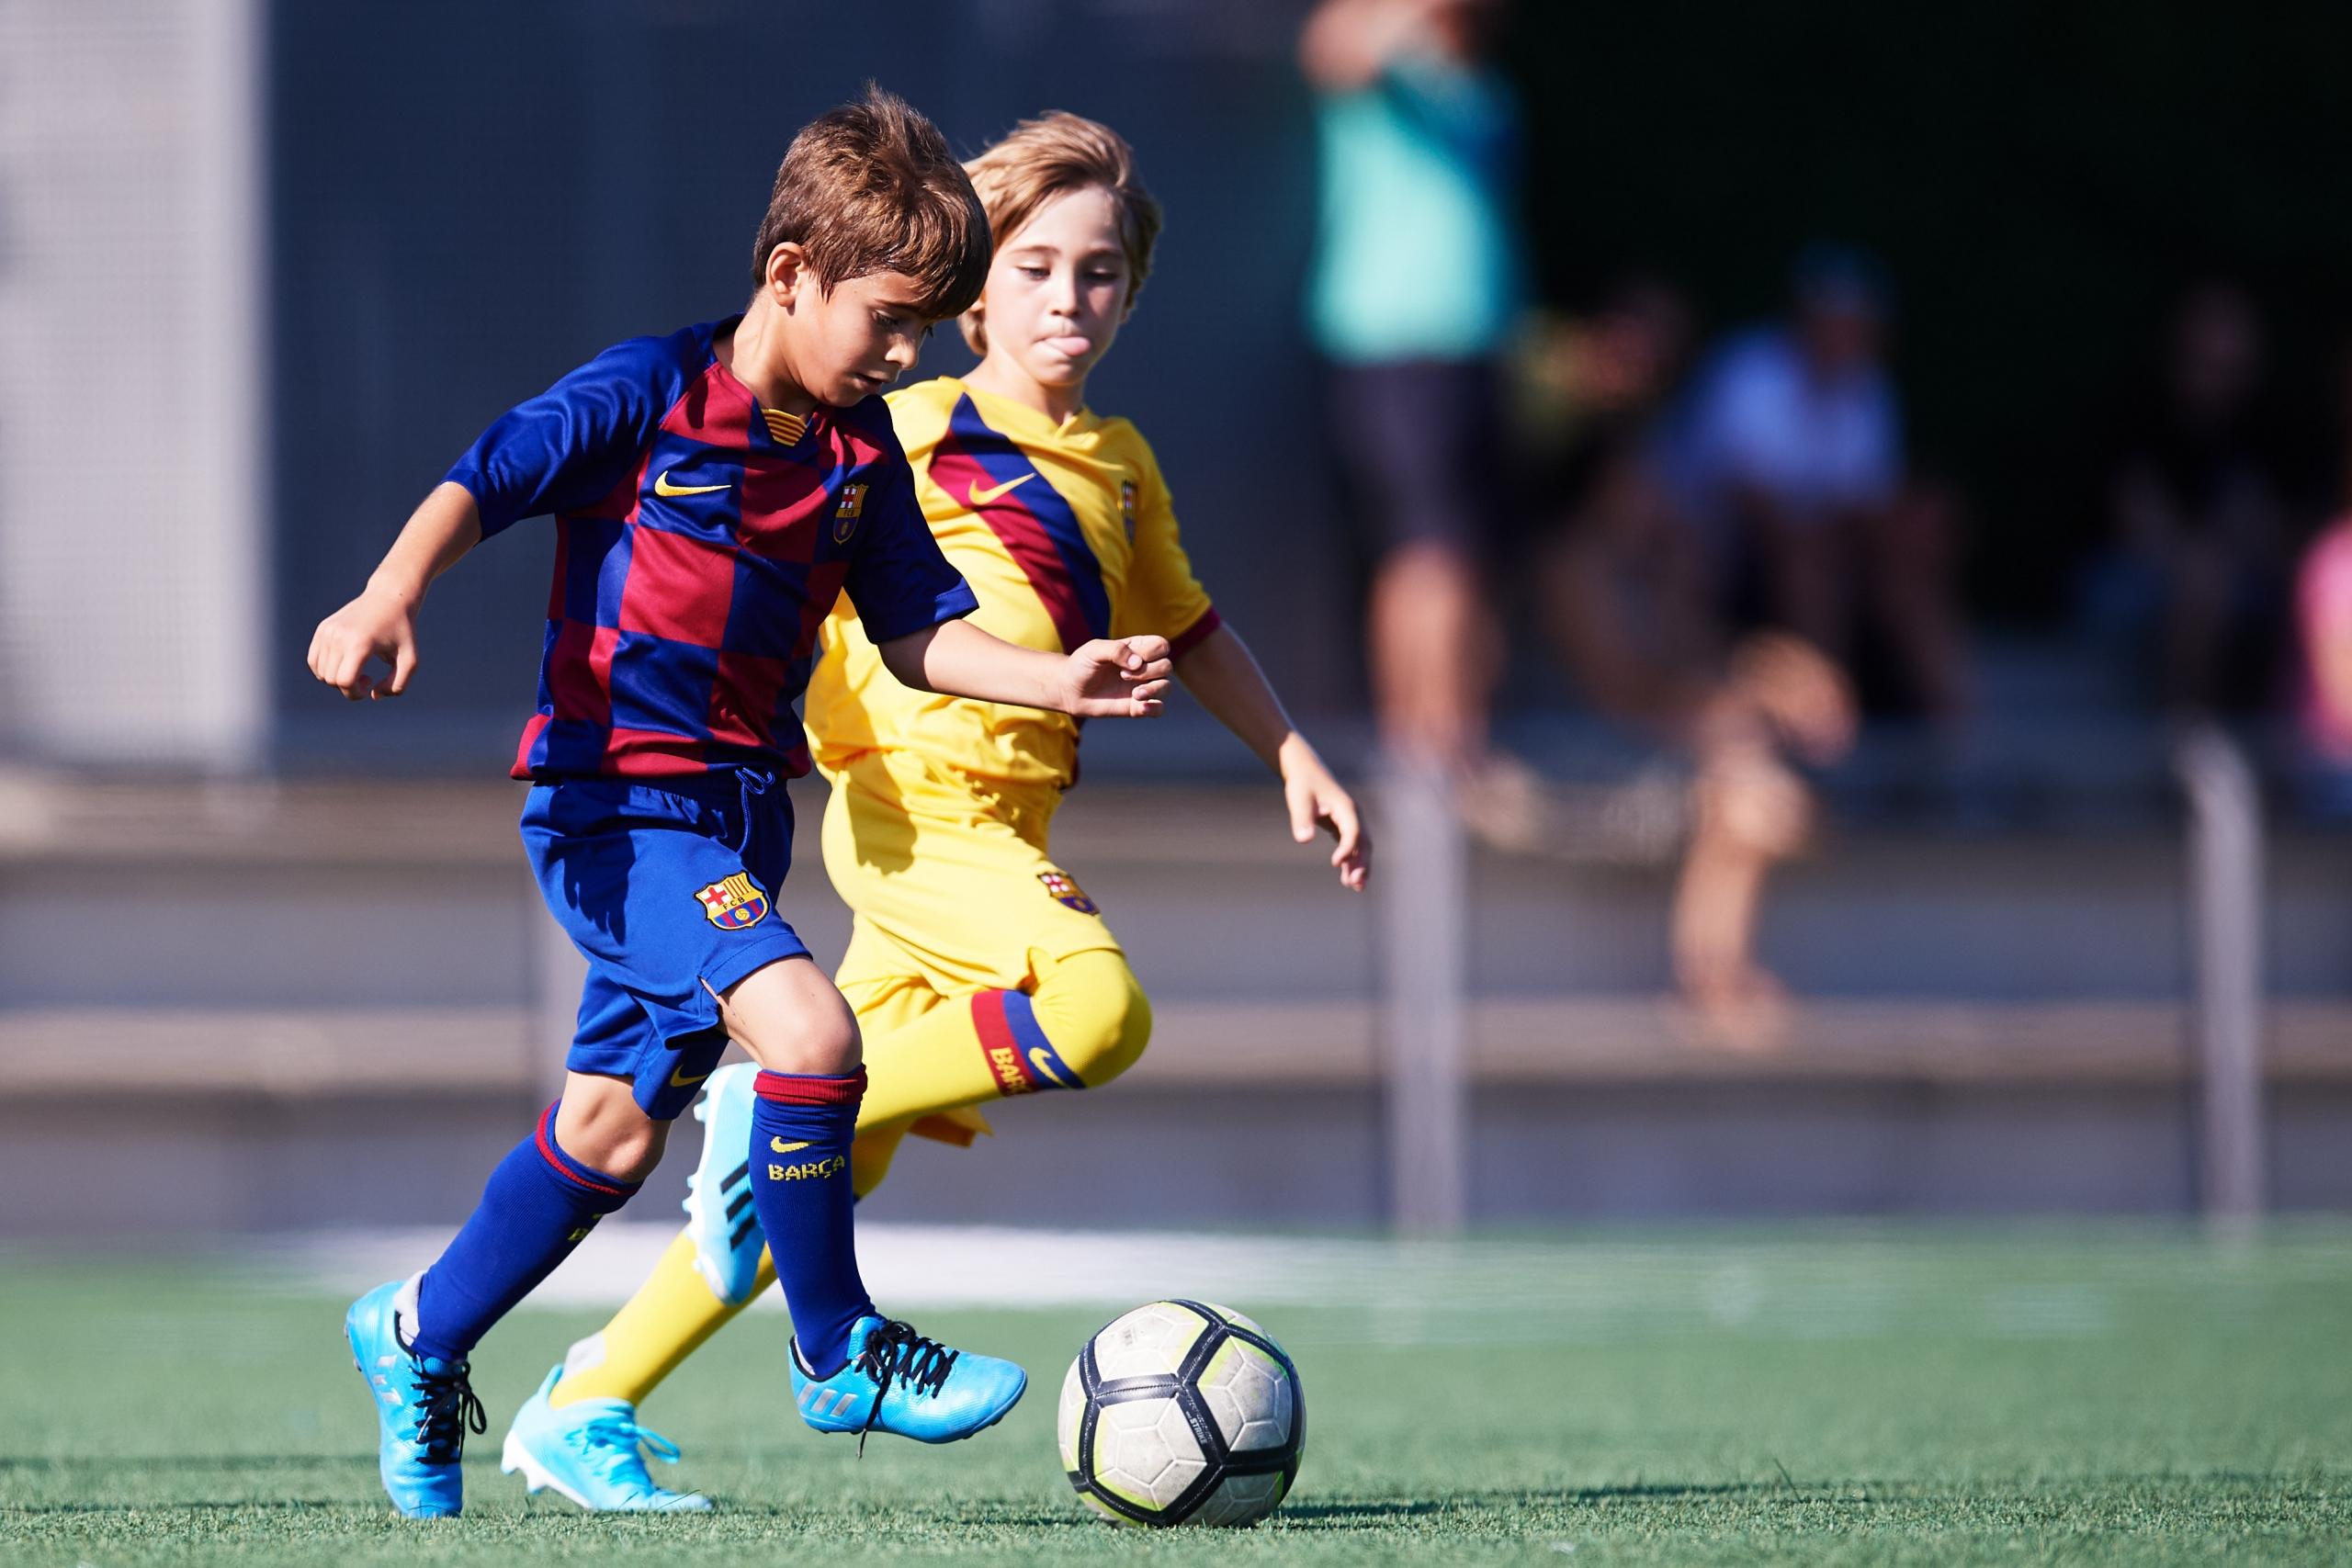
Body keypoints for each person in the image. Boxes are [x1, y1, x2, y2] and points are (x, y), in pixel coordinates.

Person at [305, 88, 1182, 1519]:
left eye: (925, 326)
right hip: (614, 809)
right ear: (791, 275)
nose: (905, 353)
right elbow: (483, 478)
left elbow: (915, 633)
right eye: (890, 320)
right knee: (811, 1027)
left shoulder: (853, 454)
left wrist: (1058, 679)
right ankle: (841, 1349)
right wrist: (387, 591)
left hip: (731, 822)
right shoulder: (647, 391)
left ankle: (413, 1332)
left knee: (608, 1133)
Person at [492, 110, 1372, 1512]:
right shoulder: (902, 423)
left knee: (813, 1170)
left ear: (1133, 290)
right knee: (1097, 1009)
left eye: (1099, 273)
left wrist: (1291, 751)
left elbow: (1192, 626)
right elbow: (823, 582)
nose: (1065, 300)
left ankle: (584, 1396)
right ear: (972, 287)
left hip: (1004, 834)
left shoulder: (1123, 461)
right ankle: (754, 1098)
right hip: (916, 822)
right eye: (1032, 268)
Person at [1300, 0, 1523, 773]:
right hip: (1396, 349)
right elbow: (1332, 48)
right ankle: (1426, 752)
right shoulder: (1379, 57)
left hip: (1472, 353)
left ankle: (1453, 741)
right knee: (1426, 551)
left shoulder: (1482, 87)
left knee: (1460, 555)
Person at [1664, 246, 1969, 720]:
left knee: (1907, 566)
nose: (1844, 333)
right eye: (1832, 318)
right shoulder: (1749, 372)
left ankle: (1956, 727)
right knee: (1807, 563)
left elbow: (1866, 509)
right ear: (1802, 319)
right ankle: (1825, 724)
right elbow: (1750, 503)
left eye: (1856, 321)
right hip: (1713, 555)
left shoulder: (1870, 390)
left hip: (1809, 554)